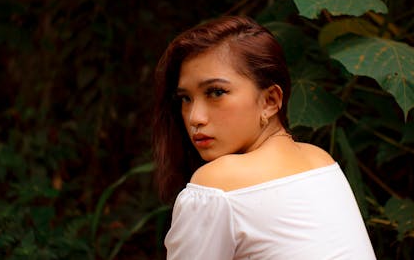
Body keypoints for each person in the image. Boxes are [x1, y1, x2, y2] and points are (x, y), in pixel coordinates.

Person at [152, 16, 376, 259]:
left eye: (216, 92)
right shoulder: (320, 161)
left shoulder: (219, 185)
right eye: (185, 98)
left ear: (270, 101)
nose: (195, 117)